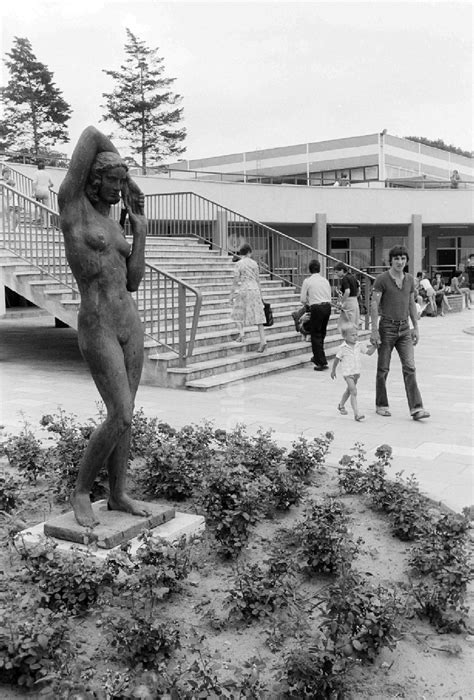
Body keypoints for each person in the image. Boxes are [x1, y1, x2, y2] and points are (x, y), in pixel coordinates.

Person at [58, 126, 149, 528]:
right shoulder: (73, 208)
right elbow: (92, 136)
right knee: (121, 413)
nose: (118, 189)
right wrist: (130, 178)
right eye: (112, 180)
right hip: (97, 323)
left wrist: (141, 230)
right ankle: (81, 491)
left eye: (121, 181)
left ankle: (118, 493)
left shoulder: (116, 225)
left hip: (129, 320)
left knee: (128, 414)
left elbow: (133, 281)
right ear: (94, 180)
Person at [370, 245, 430, 421]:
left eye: (403, 258)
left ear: (406, 261)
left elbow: (411, 304)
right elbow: (374, 304)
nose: (400, 261)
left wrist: (416, 327)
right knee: (383, 369)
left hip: (404, 329)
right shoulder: (381, 279)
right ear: (391, 260)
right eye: (396, 258)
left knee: (410, 367)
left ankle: (416, 408)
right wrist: (374, 330)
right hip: (387, 327)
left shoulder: (410, 280)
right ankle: (381, 404)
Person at [331, 323, 376, 421]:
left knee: (349, 391)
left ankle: (341, 405)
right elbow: (336, 359)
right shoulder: (343, 348)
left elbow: (369, 353)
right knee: (354, 392)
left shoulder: (359, 345)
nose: (355, 337)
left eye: (356, 334)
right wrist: (333, 370)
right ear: (345, 336)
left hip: (356, 373)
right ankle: (356, 414)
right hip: (348, 374)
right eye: (352, 335)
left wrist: (375, 346)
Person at [230, 243, 267, 352]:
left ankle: (241, 333)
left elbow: (236, 280)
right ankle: (263, 340)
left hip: (244, 289)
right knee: (259, 316)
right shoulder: (254, 264)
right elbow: (258, 280)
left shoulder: (239, 264)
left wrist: (231, 294)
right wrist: (261, 295)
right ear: (249, 252)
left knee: (237, 312)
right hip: (255, 290)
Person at [300, 259, 332, 370]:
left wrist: (309, 303)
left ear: (309, 269)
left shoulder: (307, 281)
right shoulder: (325, 280)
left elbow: (303, 299)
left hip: (316, 307)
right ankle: (318, 356)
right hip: (327, 307)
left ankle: (321, 362)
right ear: (319, 269)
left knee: (315, 334)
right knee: (322, 333)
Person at [334, 262, 360, 330]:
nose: (336, 274)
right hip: (355, 302)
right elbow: (359, 290)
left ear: (342, 270)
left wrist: (341, 302)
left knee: (346, 325)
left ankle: (348, 339)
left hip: (348, 302)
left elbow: (347, 291)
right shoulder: (353, 277)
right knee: (354, 324)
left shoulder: (345, 279)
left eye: (337, 272)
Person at [32, 160, 54, 226]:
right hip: (46, 191)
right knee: (46, 208)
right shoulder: (47, 174)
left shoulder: (36, 173)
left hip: (38, 191)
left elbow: (34, 183)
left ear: (38, 167)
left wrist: (33, 192)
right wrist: (47, 186)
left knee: (36, 205)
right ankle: (47, 225)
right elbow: (52, 184)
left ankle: (35, 218)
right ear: (44, 167)